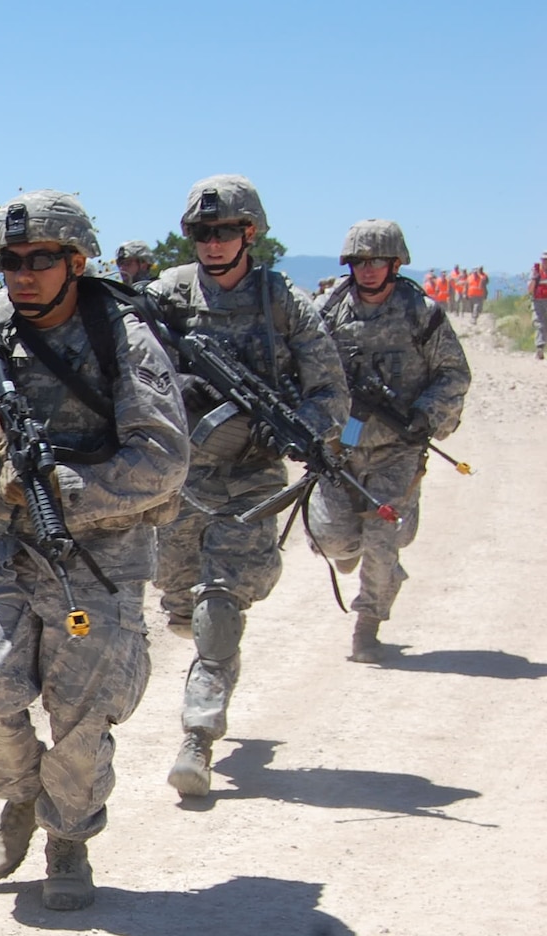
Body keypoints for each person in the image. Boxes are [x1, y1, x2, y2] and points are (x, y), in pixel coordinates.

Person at [0, 190, 188, 908]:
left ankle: (69, 835)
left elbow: (164, 458)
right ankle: (22, 796)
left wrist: (65, 487)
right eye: (9, 261)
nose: (22, 274)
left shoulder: (123, 338)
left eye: (40, 260)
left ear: (77, 260)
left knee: (82, 713)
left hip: (101, 553)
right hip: (1, 543)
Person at [145, 175, 348, 798]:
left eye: (224, 231)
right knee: (179, 601)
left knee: (220, 600)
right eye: (202, 233)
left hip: (251, 473)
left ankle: (197, 735)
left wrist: (298, 430)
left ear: (249, 233)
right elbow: (124, 365)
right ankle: (202, 633)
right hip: (178, 474)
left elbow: (329, 392)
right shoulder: (166, 294)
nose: (212, 243)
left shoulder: (282, 302)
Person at [308, 221, 471, 661]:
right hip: (340, 448)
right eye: (360, 261)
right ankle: (362, 551)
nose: (368, 270)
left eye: (378, 261)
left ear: (396, 264)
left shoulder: (421, 312)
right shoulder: (328, 310)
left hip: (398, 450)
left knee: (382, 537)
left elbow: (453, 374)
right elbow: (298, 363)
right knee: (331, 540)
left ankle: (368, 622)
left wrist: (426, 415)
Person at [531, 252, 547, 359]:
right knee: (539, 324)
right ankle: (540, 348)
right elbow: (530, 288)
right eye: (544, 259)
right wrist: (534, 278)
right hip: (538, 300)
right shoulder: (536, 272)